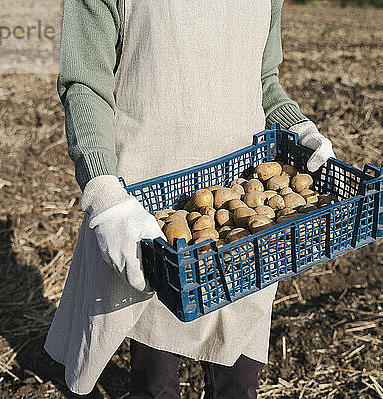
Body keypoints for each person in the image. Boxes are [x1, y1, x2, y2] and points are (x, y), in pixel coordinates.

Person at [44, 0, 336, 397]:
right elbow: (85, 83)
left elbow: (263, 78)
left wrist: (296, 126)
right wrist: (104, 192)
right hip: (153, 213)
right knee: (155, 379)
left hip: (245, 216)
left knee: (238, 378)